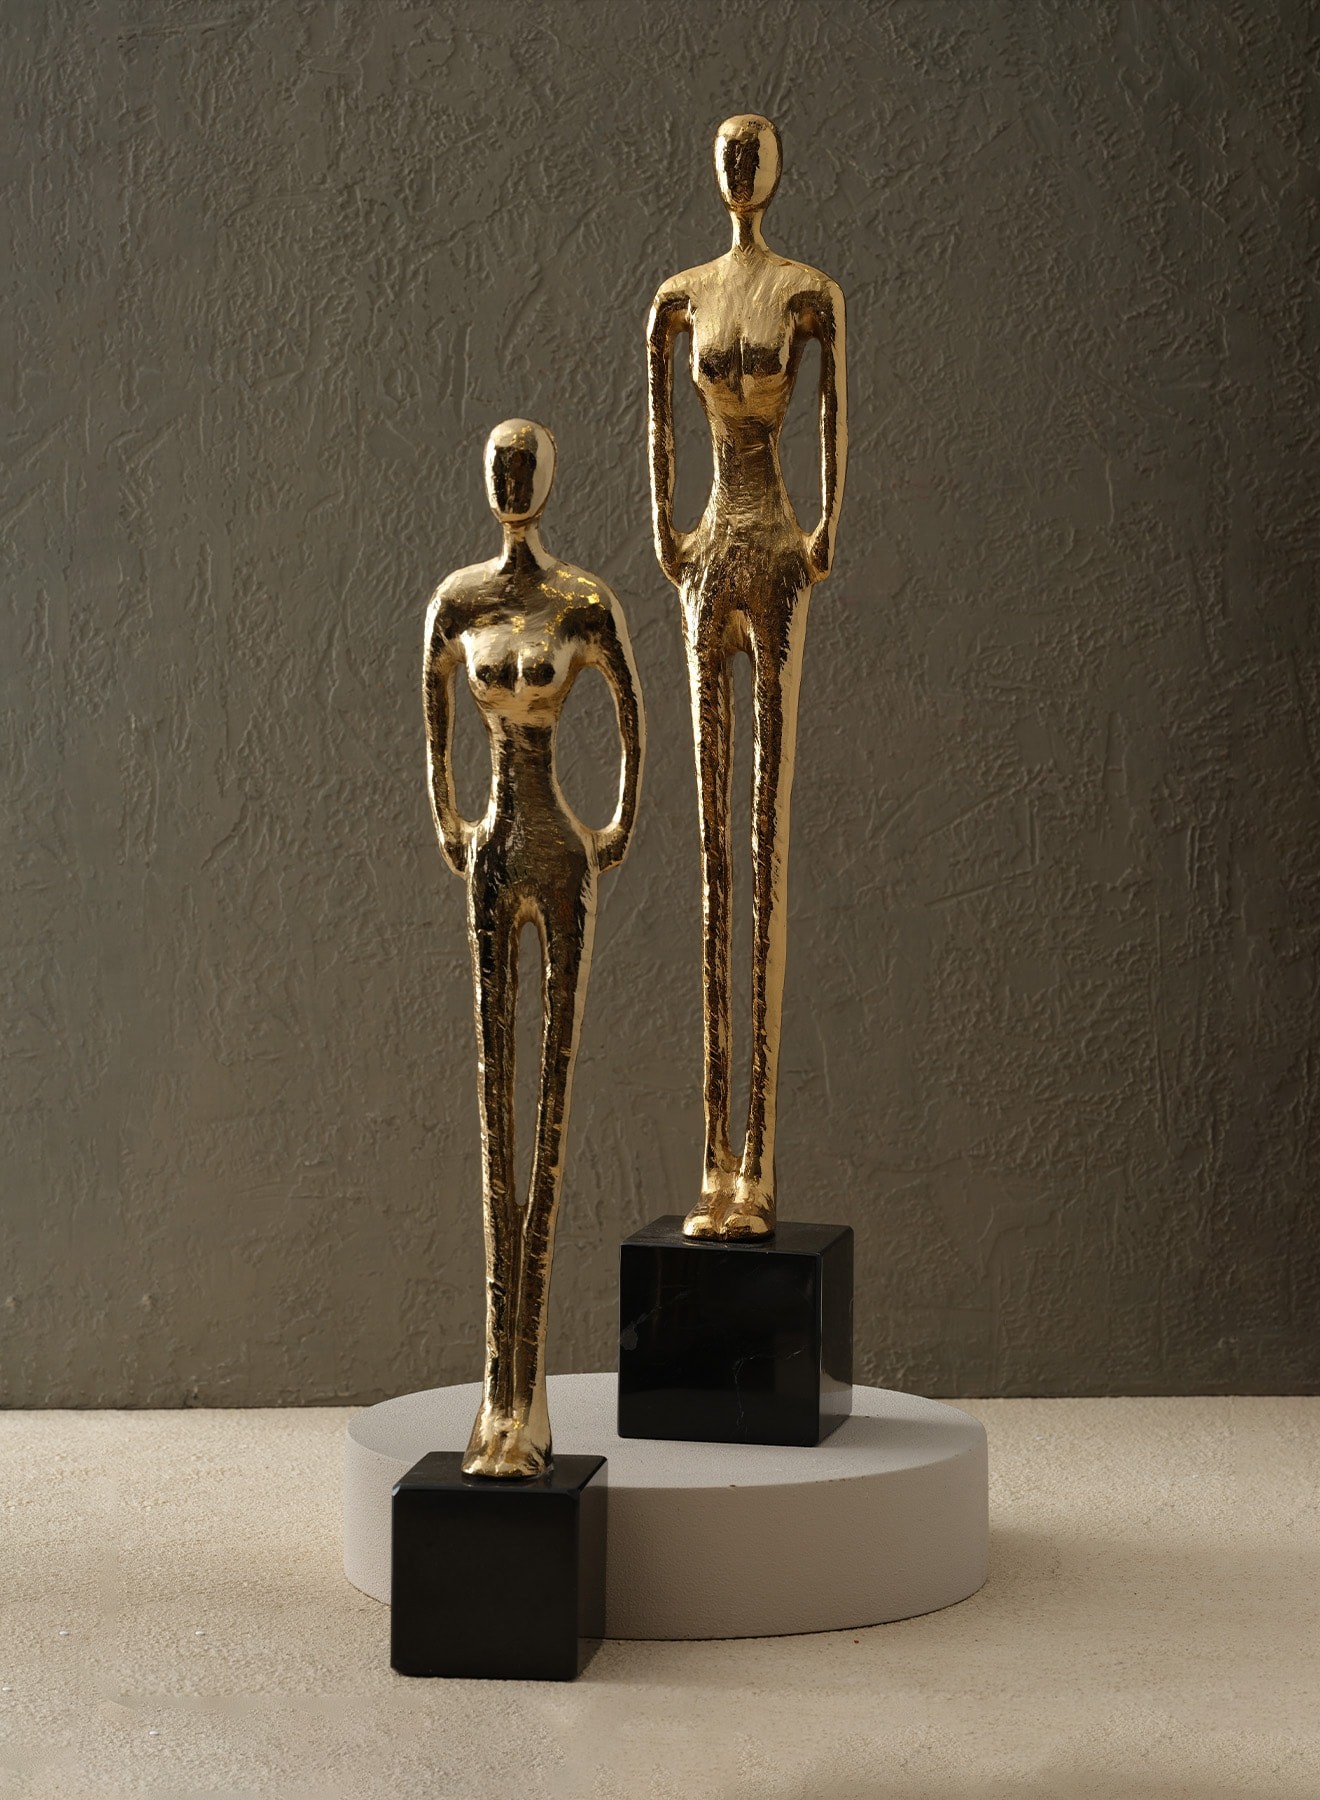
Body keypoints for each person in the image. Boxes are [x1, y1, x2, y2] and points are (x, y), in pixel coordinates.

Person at [422, 419, 644, 1476]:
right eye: (500, 466)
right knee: (493, 1119)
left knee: (547, 1122)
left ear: (547, 479)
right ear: (488, 479)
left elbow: (635, 719)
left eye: (526, 465)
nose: (512, 479)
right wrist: (451, 823)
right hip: (494, 855)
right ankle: (493, 1394)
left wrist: (614, 830)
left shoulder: (582, 602)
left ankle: (532, 1399)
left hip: (557, 852)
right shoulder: (459, 602)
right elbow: (434, 723)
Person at [646, 114, 848, 1240]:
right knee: (712, 853)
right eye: (727, 153)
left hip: (771, 548)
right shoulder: (679, 297)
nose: (740, 168)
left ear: (772, 169)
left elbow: (833, 414)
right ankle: (711, 1160)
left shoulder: (807, 293)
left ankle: (758, 1161)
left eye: (753, 153)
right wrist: (667, 535)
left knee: (765, 843)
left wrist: (821, 536)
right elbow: (657, 425)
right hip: (709, 554)